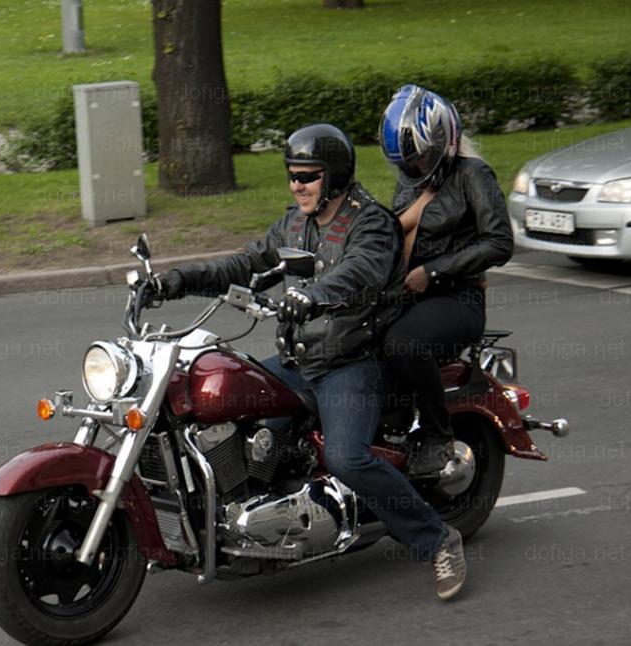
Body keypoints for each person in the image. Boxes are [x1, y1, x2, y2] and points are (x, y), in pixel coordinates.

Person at [150, 123, 466, 600]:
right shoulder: (294, 224)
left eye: (308, 176)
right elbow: (245, 264)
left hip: (351, 360)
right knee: (215, 404)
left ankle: (436, 538)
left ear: (333, 176)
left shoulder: (370, 223)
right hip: (299, 358)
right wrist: (173, 281)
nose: (297, 184)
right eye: (292, 175)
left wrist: (314, 295)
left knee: (345, 456)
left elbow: (360, 271)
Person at [379, 84, 514, 476]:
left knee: (403, 343)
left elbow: (499, 242)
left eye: (421, 158)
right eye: (406, 162)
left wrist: (434, 272)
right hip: (407, 295)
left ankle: (438, 436)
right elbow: (391, 232)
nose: (414, 167)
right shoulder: (410, 180)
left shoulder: (474, 175)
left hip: (458, 299)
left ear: (444, 141)